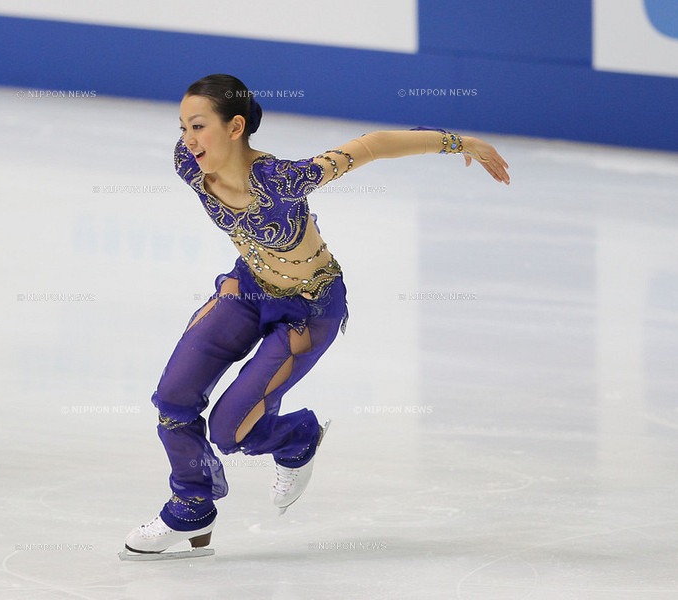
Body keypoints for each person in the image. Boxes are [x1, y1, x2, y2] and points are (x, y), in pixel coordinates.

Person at [123, 74, 510, 556]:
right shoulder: (189, 165)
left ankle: (297, 437)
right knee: (173, 401)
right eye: (182, 127)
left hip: (309, 310)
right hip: (246, 290)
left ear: (235, 126)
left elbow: (370, 146)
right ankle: (192, 507)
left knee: (229, 431)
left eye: (198, 126)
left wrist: (460, 142)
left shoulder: (279, 179)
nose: (188, 140)